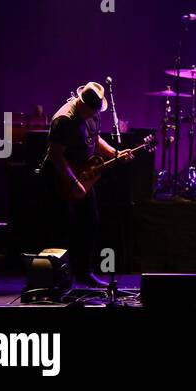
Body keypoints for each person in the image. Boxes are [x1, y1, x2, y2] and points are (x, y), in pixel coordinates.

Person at [39, 82, 133, 286]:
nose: (96, 114)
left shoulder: (94, 113)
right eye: (93, 110)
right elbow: (56, 156)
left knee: (90, 221)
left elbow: (95, 139)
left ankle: (83, 272)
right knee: (63, 226)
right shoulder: (65, 119)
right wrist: (72, 181)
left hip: (81, 173)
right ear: (83, 104)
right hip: (59, 175)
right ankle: (57, 277)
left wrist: (116, 154)